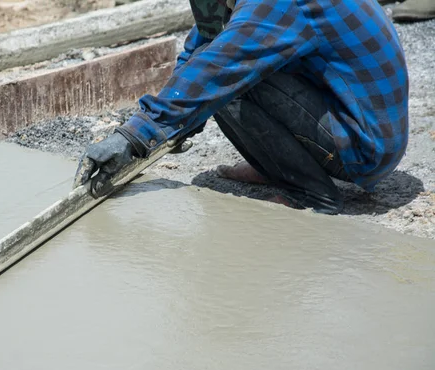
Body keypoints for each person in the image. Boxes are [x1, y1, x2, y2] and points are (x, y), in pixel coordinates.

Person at [73, 0, 409, 215]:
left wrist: (134, 138)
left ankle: (311, 195)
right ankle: (278, 166)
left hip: (365, 147)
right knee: (222, 76)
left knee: (229, 85)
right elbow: (206, 44)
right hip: (349, 118)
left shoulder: (277, 4)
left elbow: (217, 69)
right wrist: (172, 126)